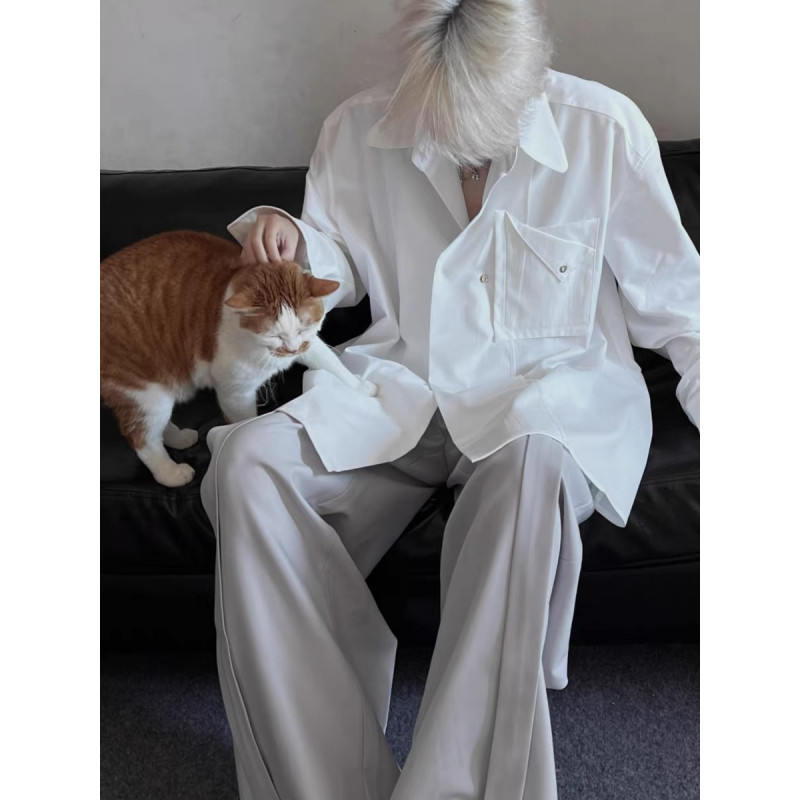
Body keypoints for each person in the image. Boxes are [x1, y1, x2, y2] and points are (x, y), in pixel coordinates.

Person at [199, 1, 700, 798]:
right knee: (247, 468)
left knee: (531, 470)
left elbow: (685, 311)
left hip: (540, 404)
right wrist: (291, 238)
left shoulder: (603, 131)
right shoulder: (358, 128)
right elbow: (337, 262)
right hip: (401, 392)